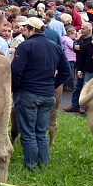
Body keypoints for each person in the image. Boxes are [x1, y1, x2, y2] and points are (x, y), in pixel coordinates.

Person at [11, 16, 71, 170]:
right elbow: (66, 72)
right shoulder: (55, 46)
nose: (23, 31)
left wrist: (16, 88)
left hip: (28, 93)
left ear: (33, 29)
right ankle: (43, 165)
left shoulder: (26, 46)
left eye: (25, 29)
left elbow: (16, 70)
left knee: (28, 132)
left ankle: (31, 165)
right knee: (40, 132)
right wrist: (52, 85)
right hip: (47, 95)